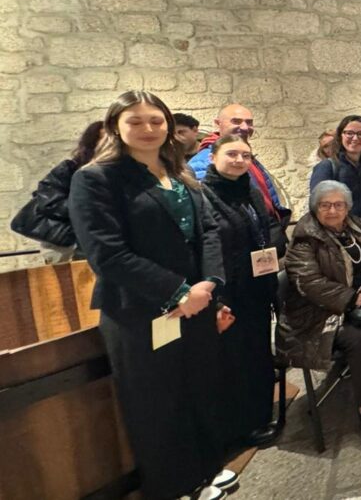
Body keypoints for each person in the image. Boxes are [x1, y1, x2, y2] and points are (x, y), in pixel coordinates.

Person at [68, 91, 230, 500]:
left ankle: (206, 469)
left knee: (200, 387)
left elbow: (209, 230)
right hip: (140, 310)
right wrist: (178, 291)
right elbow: (107, 254)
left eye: (156, 120)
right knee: (158, 403)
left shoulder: (179, 173)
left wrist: (209, 283)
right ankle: (173, 487)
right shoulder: (96, 179)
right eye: (135, 121)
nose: (148, 129)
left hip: (197, 302)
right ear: (115, 127)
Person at [279, 180, 361, 447]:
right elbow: (310, 283)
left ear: (347, 207)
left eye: (339, 205)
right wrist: (354, 298)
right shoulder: (305, 239)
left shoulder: (359, 227)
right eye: (325, 205)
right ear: (315, 207)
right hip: (320, 314)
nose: (332, 210)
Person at [201, 134, 287, 447]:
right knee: (235, 360)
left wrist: (272, 252)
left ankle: (260, 416)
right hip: (229, 291)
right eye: (232, 154)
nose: (239, 160)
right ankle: (242, 427)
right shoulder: (204, 196)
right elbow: (207, 247)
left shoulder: (249, 189)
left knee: (258, 352)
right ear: (213, 157)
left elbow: (265, 226)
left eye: (245, 155)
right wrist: (217, 298)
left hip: (256, 286)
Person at [11, 120, 103, 263]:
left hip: (93, 242)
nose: (108, 145)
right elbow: (50, 202)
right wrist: (88, 209)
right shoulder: (70, 168)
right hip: (63, 242)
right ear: (92, 143)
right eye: (102, 140)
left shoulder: (118, 172)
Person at [190, 103, 290, 224]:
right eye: (236, 121)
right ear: (217, 123)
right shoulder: (203, 161)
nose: (244, 127)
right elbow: (210, 213)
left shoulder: (245, 154)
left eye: (249, 122)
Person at [310, 115, 361, 229]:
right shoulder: (326, 167)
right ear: (340, 136)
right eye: (349, 133)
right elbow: (319, 208)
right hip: (341, 233)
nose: (355, 138)